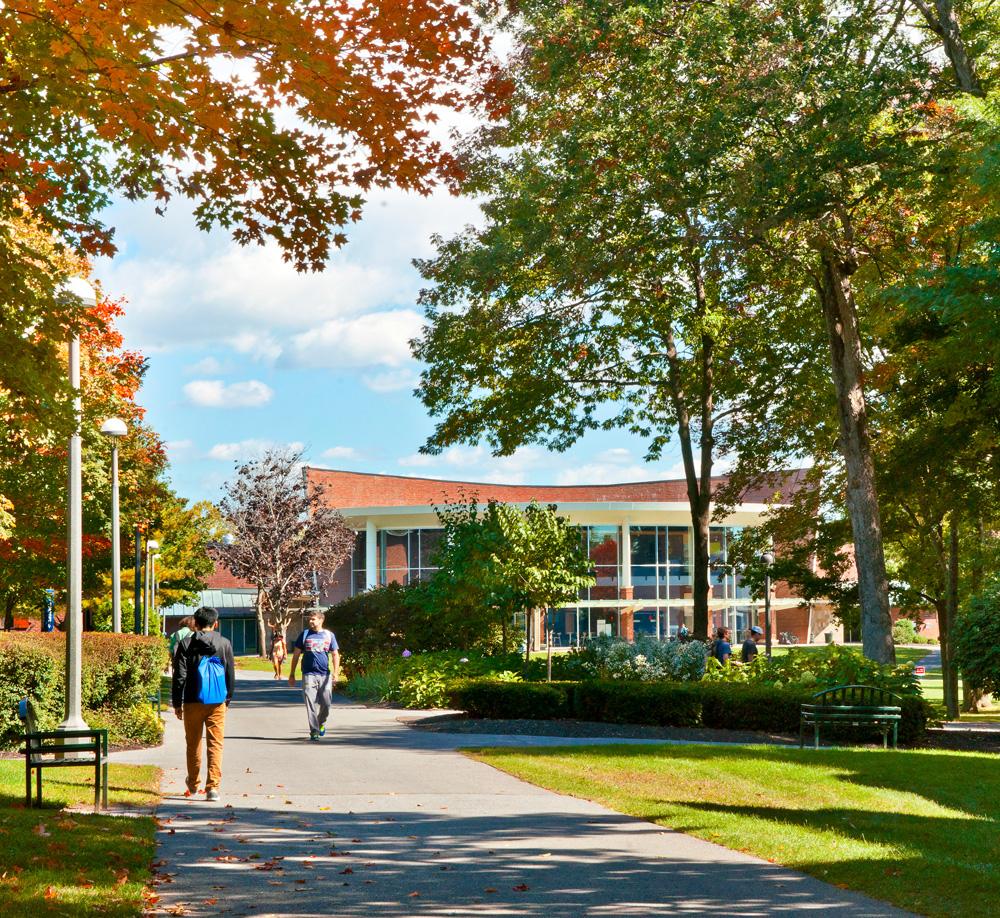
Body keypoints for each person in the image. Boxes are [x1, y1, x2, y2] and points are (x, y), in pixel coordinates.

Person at [171, 606, 235, 801]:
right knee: (215, 744)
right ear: (215, 623)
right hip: (217, 701)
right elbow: (229, 673)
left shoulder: (185, 644)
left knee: (193, 743)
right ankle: (213, 787)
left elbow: (179, 676)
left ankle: (193, 783)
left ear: (195, 624)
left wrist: (177, 702)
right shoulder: (224, 643)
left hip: (192, 700)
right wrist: (228, 698)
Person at [288, 610, 340, 741]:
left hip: (325, 675)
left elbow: (335, 654)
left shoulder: (329, 635)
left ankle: (321, 723)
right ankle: (314, 730)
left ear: (321, 620)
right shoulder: (305, 635)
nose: (310, 621)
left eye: (313, 619)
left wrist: (336, 673)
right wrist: (292, 674)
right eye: (310, 619)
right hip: (308, 674)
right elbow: (295, 655)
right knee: (310, 703)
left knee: (326, 703)